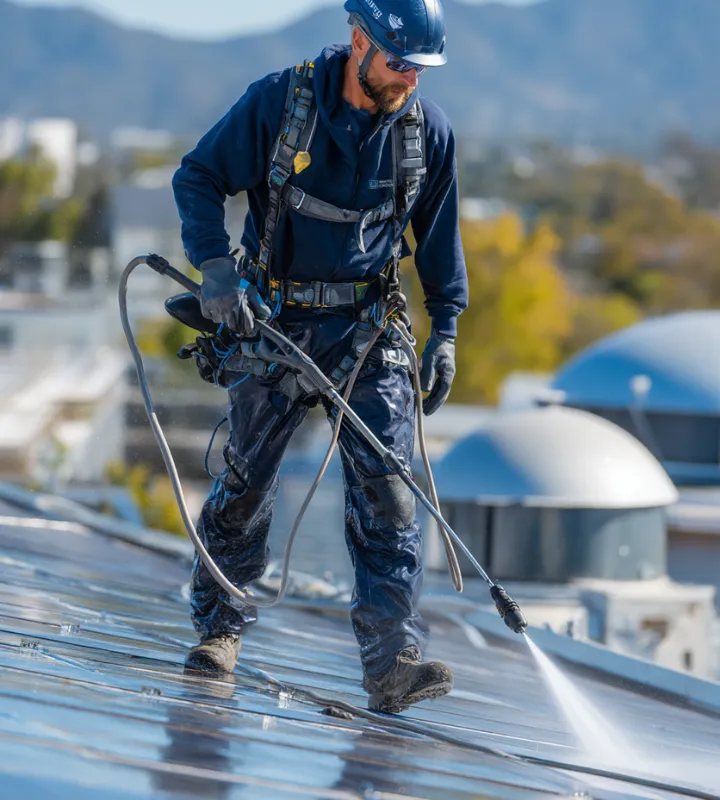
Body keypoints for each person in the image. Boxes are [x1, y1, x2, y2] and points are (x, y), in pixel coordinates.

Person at [172, 0, 468, 714]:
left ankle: (392, 660)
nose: (408, 80)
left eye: (419, 69)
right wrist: (215, 268)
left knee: (391, 491)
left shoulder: (426, 134)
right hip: (272, 320)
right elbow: (198, 177)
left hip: (367, 329)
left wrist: (447, 329)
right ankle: (220, 633)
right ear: (359, 41)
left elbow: (438, 239)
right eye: (398, 63)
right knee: (246, 484)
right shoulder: (282, 103)